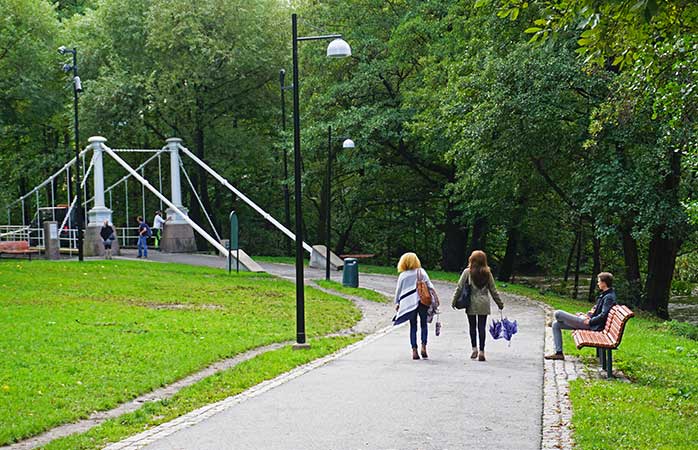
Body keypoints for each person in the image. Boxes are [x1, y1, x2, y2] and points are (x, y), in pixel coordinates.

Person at [545, 272, 617, 361]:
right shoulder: (606, 294)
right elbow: (596, 310)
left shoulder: (609, 297)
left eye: (599, 281)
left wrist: (590, 321)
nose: (598, 283)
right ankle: (559, 353)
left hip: (592, 325)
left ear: (604, 283)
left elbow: (603, 315)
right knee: (556, 324)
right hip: (590, 322)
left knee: (558, 313)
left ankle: (553, 321)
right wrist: (587, 315)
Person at [451, 250, 504, 362]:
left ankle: (474, 348)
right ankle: (482, 351)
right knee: (481, 327)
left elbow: (459, 287)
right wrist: (500, 304)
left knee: (472, 326)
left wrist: (454, 301)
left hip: (471, 303)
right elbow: (493, 290)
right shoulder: (488, 273)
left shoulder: (467, 272)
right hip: (484, 303)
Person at [393, 252, 439, 360]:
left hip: (409, 304)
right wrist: (434, 300)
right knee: (424, 324)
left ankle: (414, 350)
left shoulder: (403, 276)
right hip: (422, 302)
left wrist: (397, 303)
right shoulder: (421, 272)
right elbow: (430, 286)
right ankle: (424, 346)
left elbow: (398, 291)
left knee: (413, 326)